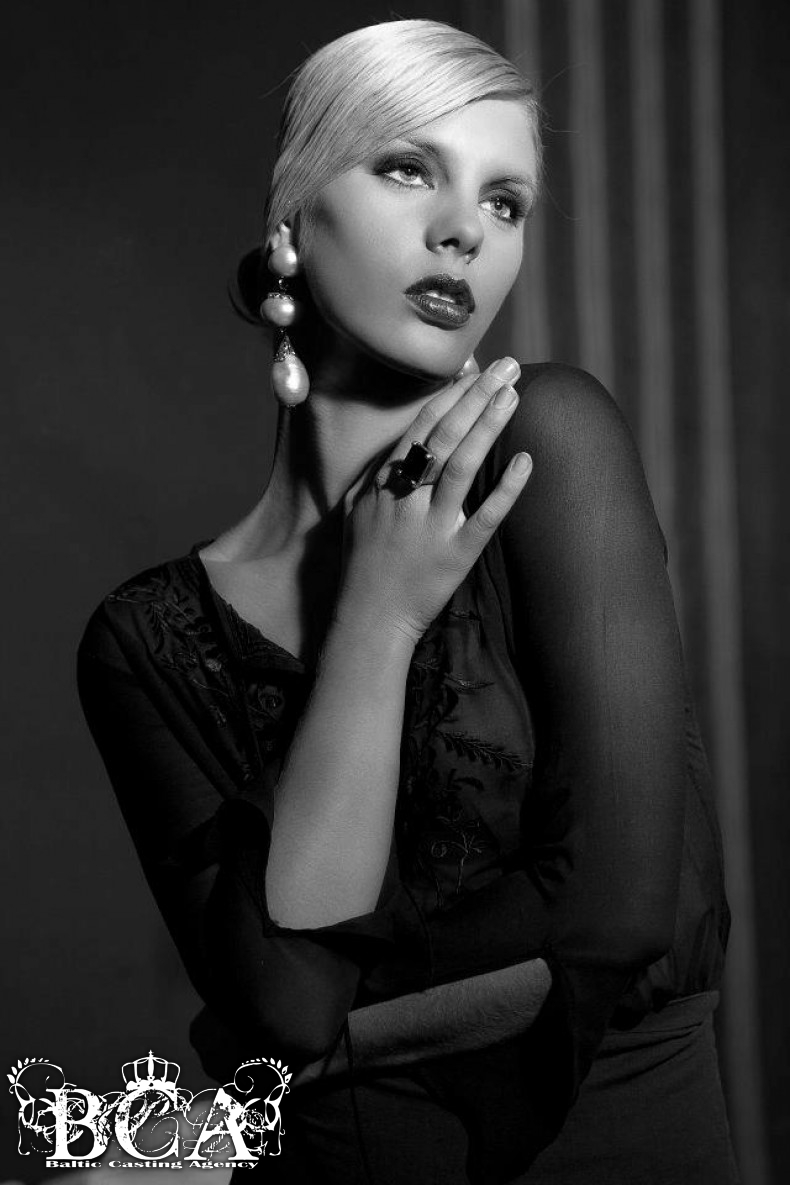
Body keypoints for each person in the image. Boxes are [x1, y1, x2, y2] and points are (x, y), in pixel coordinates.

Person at [76, 18, 739, 1185]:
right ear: (290, 219)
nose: (463, 230)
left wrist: (249, 1087)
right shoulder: (143, 638)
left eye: (504, 202)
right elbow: (288, 1006)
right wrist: (377, 620)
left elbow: (624, 915)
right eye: (407, 168)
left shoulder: (549, 444)